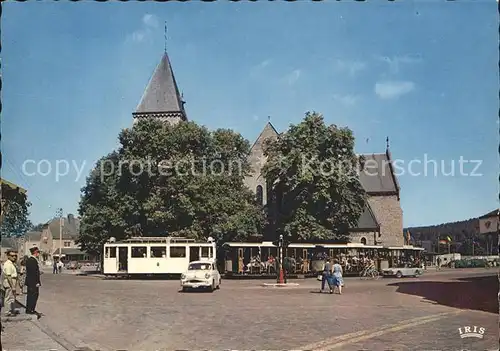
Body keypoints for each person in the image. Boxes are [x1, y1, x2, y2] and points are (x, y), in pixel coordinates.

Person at [25, 247, 41, 314]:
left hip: (30, 281)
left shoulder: (30, 260)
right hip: (33, 282)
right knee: (33, 295)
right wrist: (37, 282)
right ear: (35, 252)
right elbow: (34, 273)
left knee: (30, 295)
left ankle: (29, 309)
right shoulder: (32, 260)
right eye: (38, 252)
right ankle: (30, 310)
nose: (39, 254)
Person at [2, 250, 19, 316]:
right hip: (10, 281)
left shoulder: (11, 263)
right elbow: (9, 276)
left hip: (12, 280)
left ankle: (12, 310)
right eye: (12, 256)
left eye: (15, 256)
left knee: (12, 297)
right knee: (8, 297)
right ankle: (7, 311)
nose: (14, 257)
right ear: (8, 256)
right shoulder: (8, 264)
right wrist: (13, 286)